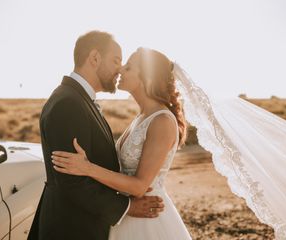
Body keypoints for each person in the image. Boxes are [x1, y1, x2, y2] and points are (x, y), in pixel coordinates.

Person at [28, 32, 165, 240]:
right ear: (94, 58)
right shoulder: (68, 104)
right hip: (71, 229)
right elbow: (72, 182)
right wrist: (127, 207)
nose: (119, 69)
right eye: (116, 60)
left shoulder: (78, 99)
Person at [52, 47, 193, 239]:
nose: (120, 70)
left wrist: (87, 168)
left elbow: (139, 187)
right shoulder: (142, 117)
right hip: (128, 214)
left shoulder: (162, 121)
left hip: (148, 218)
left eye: (128, 67)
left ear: (147, 77)